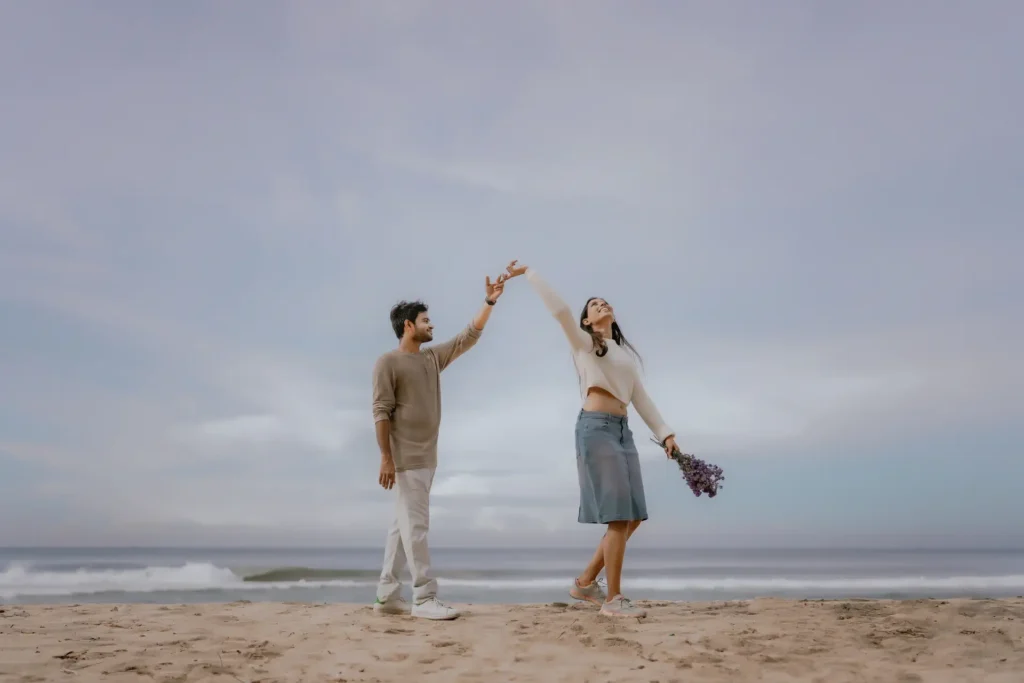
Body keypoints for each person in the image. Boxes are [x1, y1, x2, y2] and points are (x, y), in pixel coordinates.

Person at [502, 260, 679, 619]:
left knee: (633, 518)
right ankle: (613, 600)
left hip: (622, 431)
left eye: (605, 302)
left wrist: (666, 435)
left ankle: (585, 583)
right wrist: (529, 274)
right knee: (618, 517)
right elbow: (562, 310)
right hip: (596, 429)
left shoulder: (624, 355)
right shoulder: (584, 343)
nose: (602, 305)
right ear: (587, 320)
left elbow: (640, 398)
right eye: (594, 305)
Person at [371, 273, 507, 620]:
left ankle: (387, 595)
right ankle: (424, 598)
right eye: (425, 321)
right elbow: (381, 411)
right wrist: (386, 458)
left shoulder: (432, 358)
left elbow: (467, 337)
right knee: (415, 527)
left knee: (402, 528)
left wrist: (489, 302)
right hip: (405, 459)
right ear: (408, 326)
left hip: (428, 457)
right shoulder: (388, 362)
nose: (432, 325)